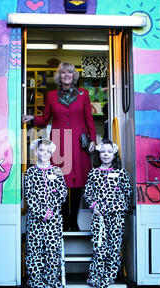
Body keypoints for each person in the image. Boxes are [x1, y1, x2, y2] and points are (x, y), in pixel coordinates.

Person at [23, 62, 96, 231]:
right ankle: (62, 220)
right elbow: (44, 118)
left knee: (78, 181)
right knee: (59, 181)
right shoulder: (51, 96)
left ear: (74, 75)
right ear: (59, 77)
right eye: (63, 73)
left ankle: (73, 221)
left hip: (78, 141)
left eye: (69, 72)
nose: (67, 75)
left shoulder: (83, 94)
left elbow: (89, 118)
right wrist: (32, 118)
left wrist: (92, 139)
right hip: (59, 141)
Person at [83, 139, 132, 288]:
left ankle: (109, 277)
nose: (106, 154)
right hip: (99, 217)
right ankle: (96, 275)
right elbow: (87, 193)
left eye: (109, 152)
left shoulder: (121, 173)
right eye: (103, 151)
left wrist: (118, 207)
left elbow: (127, 193)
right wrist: (94, 206)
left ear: (114, 154)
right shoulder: (94, 173)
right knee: (99, 246)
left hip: (116, 217)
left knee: (114, 246)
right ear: (99, 153)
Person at [24, 138, 68, 288]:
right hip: (36, 220)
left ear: (51, 153)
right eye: (41, 150)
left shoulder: (57, 171)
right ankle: (35, 279)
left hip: (54, 219)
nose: (44, 153)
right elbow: (29, 197)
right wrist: (42, 212)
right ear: (36, 151)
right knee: (35, 248)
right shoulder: (30, 173)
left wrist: (51, 210)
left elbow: (62, 193)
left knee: (52, 248)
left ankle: (51, 278)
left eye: (47, 151)